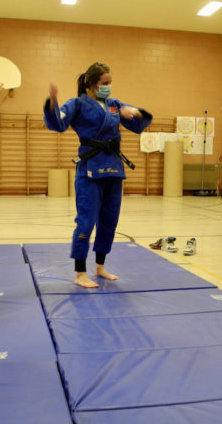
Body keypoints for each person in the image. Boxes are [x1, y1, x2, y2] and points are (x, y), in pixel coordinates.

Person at [44, 62, 152, 288]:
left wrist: (135, 112)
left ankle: (100, 267)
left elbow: (138, 121)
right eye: (105, 83)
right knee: (86, 221)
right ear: (92, 84)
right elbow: (58, 123)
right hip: (90, 169)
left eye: (110, 83)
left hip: (113, 168)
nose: (109, 87)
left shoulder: (113, 105)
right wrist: (52, 103)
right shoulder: (76, 104)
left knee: (109, 220)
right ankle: (80, 272)